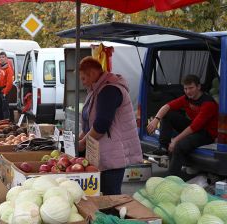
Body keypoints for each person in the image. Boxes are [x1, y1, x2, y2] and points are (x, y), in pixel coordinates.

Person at [77, 57, 142, 195]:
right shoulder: (96, 90)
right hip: (102, 152)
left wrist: (83, 143)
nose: (82, 83)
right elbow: (90, 122)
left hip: (113, 153)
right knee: (102, 196)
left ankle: (113, 216)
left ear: (93, 74)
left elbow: (101, 125)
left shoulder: (109, 90)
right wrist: (79, 138)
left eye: (83, 78)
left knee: (110, 197)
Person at [146, 75, 218, 178]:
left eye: (191, 88)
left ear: (198, 87)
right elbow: (167, 106)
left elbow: (194, 127)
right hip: (195, 128)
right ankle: (164, 147)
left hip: (207, 133)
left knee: (179, 145)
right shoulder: (186, 98)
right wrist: (156, 119)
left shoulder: (208, 103)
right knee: (168, 114)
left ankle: (170, 179)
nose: (188, 91)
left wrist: (175, 140)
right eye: (185, 88)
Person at [0, 52, 14, 120]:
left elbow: (10, 82)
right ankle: (0, 123)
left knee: (4, 108)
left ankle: (6, 123)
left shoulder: (8, 69)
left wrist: (5, 92)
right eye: (0, 57)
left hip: (4, 90)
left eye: (3, 57)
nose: (1, 59)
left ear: (6, 58)